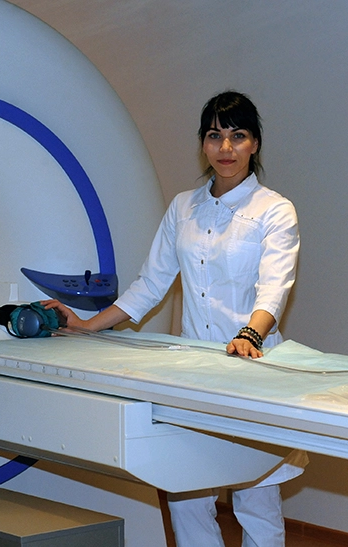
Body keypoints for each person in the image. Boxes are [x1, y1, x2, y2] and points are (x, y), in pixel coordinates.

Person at [43, 90, 301, 547]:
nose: (226, 148)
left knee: (255, 499)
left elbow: (274, 287)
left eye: (238, 136)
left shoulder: (274, 210)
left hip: (252, 366)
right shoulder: (183, 208)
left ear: (255, 143)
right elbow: (150, 284)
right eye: (214, 136)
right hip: (193, 371)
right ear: (202, 144)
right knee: (186, 495)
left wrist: (249, 334)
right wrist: (86, 325)